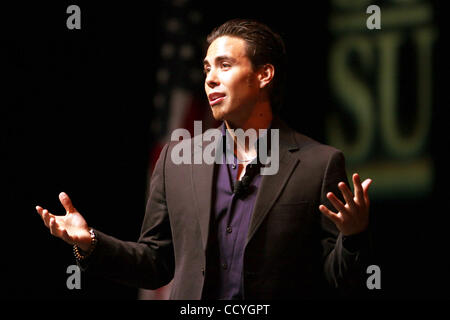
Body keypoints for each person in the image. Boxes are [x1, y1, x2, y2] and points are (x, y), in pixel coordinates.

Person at [36, 19, 373, 299]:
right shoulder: (177, 160)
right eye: (207, 68)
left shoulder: (319, 164)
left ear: (264, 75)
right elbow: (156, 262)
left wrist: (353, 236)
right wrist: (90, 243)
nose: (210, 78)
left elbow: (336, 280)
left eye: (225, 66)